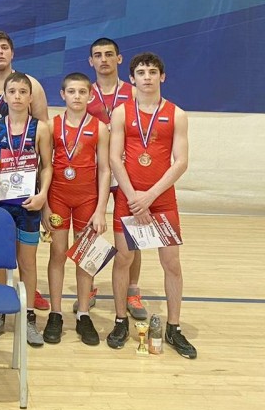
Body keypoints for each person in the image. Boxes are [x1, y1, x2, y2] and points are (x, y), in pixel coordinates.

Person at [106, 53, 196, 359]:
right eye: (141, 72)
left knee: (171, 264)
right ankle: (120, 321)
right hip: (129, 199)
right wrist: (135, 197)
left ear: (162, 77)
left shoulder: (177, 114)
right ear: (132, 79)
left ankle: (174, 327)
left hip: (162, 201)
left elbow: (181, 162)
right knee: (123, 259)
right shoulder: (121, 113)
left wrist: (150, 197)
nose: (147, 77)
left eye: (152, 72)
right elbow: (114, 158)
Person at [0, 31, 50, 311]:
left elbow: (46, 155)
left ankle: (27, 308)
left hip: (27, 192)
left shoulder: (33, 86)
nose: (0, 52)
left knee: (27, 259)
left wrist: (43, 194)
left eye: (5, 47)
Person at [41, 72, 110, 346]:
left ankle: (83, 313)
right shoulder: (51, 126)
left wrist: (101, 209)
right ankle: (56, 313)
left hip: (87, 200)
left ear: (90, 95)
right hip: (58, 197)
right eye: (72, 91)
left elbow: (104, 170)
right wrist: (45, 206)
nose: (77, 96)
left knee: (86, 258)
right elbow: (44, 167)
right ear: (63, 95)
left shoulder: (100, 128)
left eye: (82, 92)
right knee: (57, 254)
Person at [0, 72, 53, 346]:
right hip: (0, 206)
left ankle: (28, 317)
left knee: (27, 262)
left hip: (28, 205)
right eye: (12, 91)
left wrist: (42, 195)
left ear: (30, 97)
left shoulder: (41, 128)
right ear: (4, 96)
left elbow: (47, 166)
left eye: (22, 92)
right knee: (0, 261)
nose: (17, 97)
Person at [85, 37, 146, 319]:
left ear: (119, 59)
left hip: (126, 172)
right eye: (98, 55)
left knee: (133, 232)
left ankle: (132, 290)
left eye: (109, 54)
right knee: (91, 230)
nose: (104, 60)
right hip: (94, 170)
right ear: (91, 61)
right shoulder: (84, 93)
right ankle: (88, 287)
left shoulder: (134, 92)